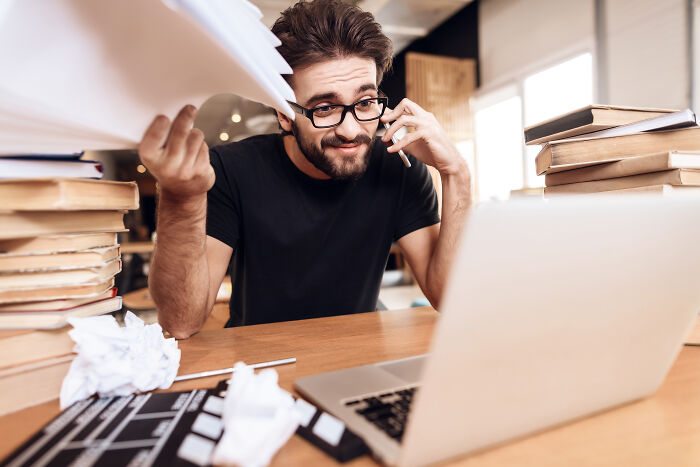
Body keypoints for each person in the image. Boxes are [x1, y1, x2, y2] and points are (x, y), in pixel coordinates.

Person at [138, 0, 471, 338]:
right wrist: (181, 201)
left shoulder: (398, 169)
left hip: (356, 356)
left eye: (366, 102)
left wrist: (456, 173)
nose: (351, 129)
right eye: (325, 108)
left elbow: (448, 297)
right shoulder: (228, 169)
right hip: (257, 365)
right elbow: (181, 322)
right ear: (284, 113)